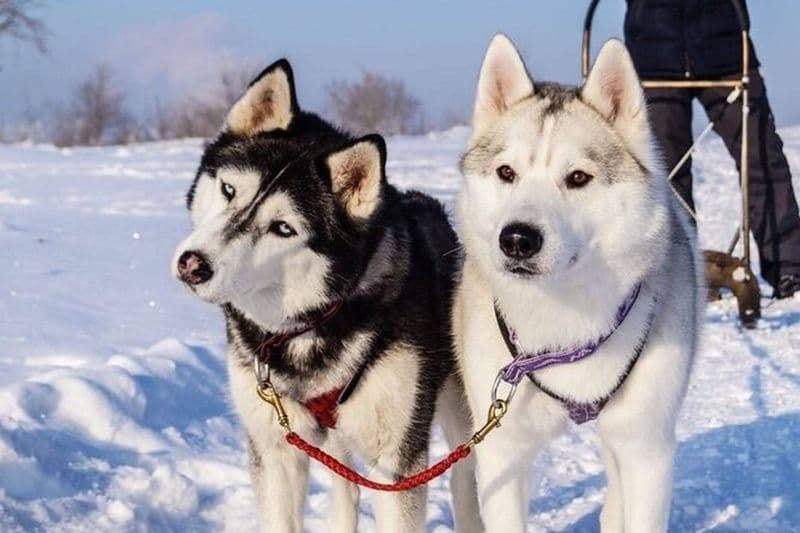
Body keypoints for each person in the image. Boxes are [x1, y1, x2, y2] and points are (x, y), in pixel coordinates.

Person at [624, 0, 800, 298]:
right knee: (665, 172)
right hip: (655, 56)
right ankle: (679, 272)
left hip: (727, 51)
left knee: (762, 157)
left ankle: (789, 269)